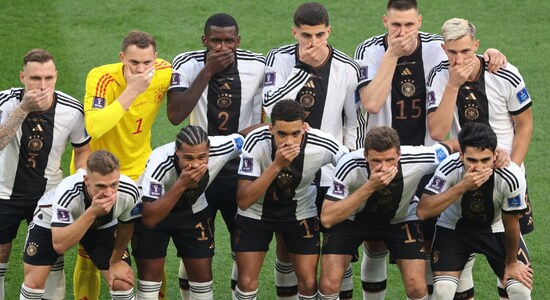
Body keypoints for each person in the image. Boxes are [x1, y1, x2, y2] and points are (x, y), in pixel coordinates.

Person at [354, 1, 506, 297]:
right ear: (385, 21)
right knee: (375, 242)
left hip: (429, 159)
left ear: (420, 22)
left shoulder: (438, 47)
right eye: (395, 25)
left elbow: (469, 56)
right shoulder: (368, 50)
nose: (402, 32)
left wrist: (491, 55)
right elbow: (371, 103)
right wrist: (392, 55)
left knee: (430, 238)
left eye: (409, 25)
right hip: (383, 160)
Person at [425, 18, 534, 297]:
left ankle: (503, 281)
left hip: (503, 174)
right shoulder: (439, 75)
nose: (459, 58)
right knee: (461, 250)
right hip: (463, 168)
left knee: (513, 274)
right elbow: (437, 131)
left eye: (465, 51)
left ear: (477, 45)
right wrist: (453, 84)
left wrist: (515, 168)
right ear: (443, 48)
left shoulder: (504, 72)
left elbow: (524, 124)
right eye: (452, 52)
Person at [262, 3, 363, 298]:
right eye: (306, 36)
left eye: (320, 35)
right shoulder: (278, 59)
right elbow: (270, 108)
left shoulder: (347, 68)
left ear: (329, 31)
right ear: (295, 32)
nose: (314, 43)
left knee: (337, 243)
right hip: (286, 164)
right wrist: (302, 69)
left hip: (331, 169)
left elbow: (353, 122)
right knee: (287, 243)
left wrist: (348, 164)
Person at [168, 13, 265, 296]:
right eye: (215, 41)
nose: (222, 48)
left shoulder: (257, 65)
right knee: (195, 249)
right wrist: (207, 71)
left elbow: (273, 111)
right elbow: (175, 115)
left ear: (238, 40)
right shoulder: (187, 63)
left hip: (241, 171)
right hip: (199, 170)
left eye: (228, 41)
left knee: (242, 247)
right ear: (204, 41)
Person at [71, 30, 172, 300]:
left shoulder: (165, 72)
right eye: (133, 63)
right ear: (121, 58)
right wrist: (131, 91)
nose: (141, 69)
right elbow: (93, 126)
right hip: (99, 175)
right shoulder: (101, 77)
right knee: (89, 253)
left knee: (149, 248)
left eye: (146, 63)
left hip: (141, 172)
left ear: (156, 59)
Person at [318, 126, 456, 300]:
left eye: (390, 160)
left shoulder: (420, 157)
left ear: (399, 155)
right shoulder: (349, 164)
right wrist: (370, 186)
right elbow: (327, 217)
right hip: (352, 219)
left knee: (417, 287)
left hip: (400, 218)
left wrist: (496, 151)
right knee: (328, 284)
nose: (383, 167)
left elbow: (452, 145)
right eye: (376, 160)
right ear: (365, 155)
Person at [234, 100, 348, 300]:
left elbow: (351, 164)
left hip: (301, 209)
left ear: (304, 127)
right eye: (282, 134)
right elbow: (244, 200)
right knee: (246, 281)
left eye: (295, 134)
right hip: (256, 210)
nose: (289, 142)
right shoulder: (255, 141)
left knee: (309, 282)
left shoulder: (322, 142)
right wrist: (276, 165)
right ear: (271, 128)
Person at [0, 48, 91, 300]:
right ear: (22, 77)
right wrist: (24, 109)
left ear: (56, 76)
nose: (42, 85)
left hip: (48, 196)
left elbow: (83, 150)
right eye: (35, 78)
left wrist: (79, 177)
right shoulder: (5, 102)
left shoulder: (72, 109)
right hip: (4, 193)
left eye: (48, 78)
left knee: (51, 259)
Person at [416, 122, 533, 299]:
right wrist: (462, 186)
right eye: (472, 160)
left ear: (495, 155)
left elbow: (511, 223)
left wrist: (511, 263)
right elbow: (423, 211)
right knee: (443, 290)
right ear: (460, 155)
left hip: (496, 229)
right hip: (453, 229)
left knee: (520, 290)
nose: (479, 168)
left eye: (485, 160)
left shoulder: (511, 176)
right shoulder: (449, 168)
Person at [132, 125, 245, 300]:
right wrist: (181, 185)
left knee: (202, 278)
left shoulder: (221, 147)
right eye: (188, 158)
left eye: (202, 157)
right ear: (177, 152)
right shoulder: (159, 161)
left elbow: (246, 136)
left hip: (192, 210)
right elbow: (149, 219)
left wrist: (273, 128)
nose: (196, 164)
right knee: (149, 280)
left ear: (209, 150)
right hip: (154, 209)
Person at [20, 150, 140, 300]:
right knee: (33, 285)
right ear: (86, 180)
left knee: (121, 282)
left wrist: (115, 261)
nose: (109, 193)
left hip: (101, 226)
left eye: (113, 184)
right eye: (101, 186)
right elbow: (60, 244)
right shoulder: (68, 191)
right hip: (50, 222)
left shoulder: (128, 191)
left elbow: (126, 225)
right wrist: (92, 212)